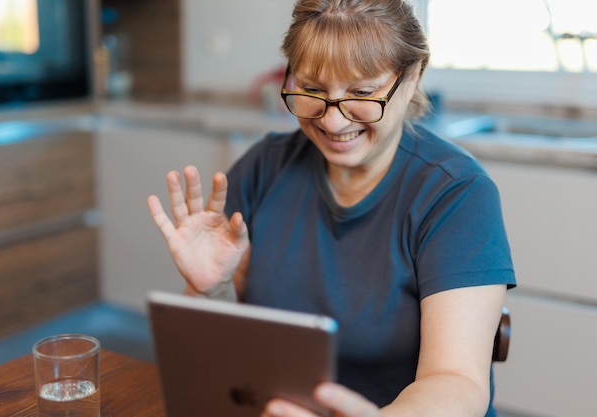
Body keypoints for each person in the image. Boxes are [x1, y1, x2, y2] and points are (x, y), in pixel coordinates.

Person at [147, 0, 517, 416]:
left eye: (361, 93)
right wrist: (210, 289)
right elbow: (214, 359)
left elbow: (458, 382)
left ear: (412, 77)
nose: (333, 122)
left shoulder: (457, 194)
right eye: (312, 89)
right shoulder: (265, 166)